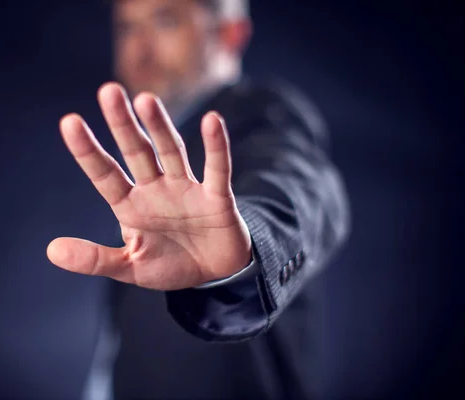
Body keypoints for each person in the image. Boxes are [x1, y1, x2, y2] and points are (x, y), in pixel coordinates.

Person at [46, 0, 350, 398]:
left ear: (230, 33)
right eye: (126, 29)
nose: (139, 48)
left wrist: (244, 253)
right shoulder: (156, 158)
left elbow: (302, 191)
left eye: (165, 21)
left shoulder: (265, 114)